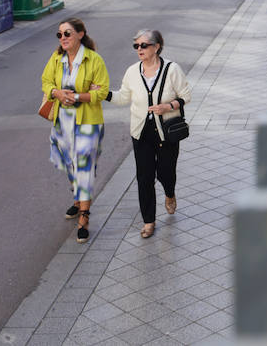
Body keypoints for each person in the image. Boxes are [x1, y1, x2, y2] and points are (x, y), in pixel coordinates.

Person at [109, 29, 192, 239]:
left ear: (157, 47)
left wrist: (168, 106)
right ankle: (149, 221)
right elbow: (123, 98)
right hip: (141, 132)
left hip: (165, 133)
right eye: (136, 46)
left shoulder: (172, 69)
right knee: (144, 178)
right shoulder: (132, 72)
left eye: (144, 45)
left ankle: (170, 192)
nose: (139, 49)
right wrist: (105, 94)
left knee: (166, 173)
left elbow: (186, 96)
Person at [41, 17, 111, 242]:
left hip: (88, 122)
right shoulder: (57, 58)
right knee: (66, 163)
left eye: (67, 33)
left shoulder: (94, 60)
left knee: (84, 168)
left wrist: (79, 96)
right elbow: (46, 81)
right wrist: (57, 93)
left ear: (80, 34)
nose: (63, 38)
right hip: (62, 122)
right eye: (60, 34)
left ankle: (84, 216)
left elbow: (101, 92)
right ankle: (77, 199)